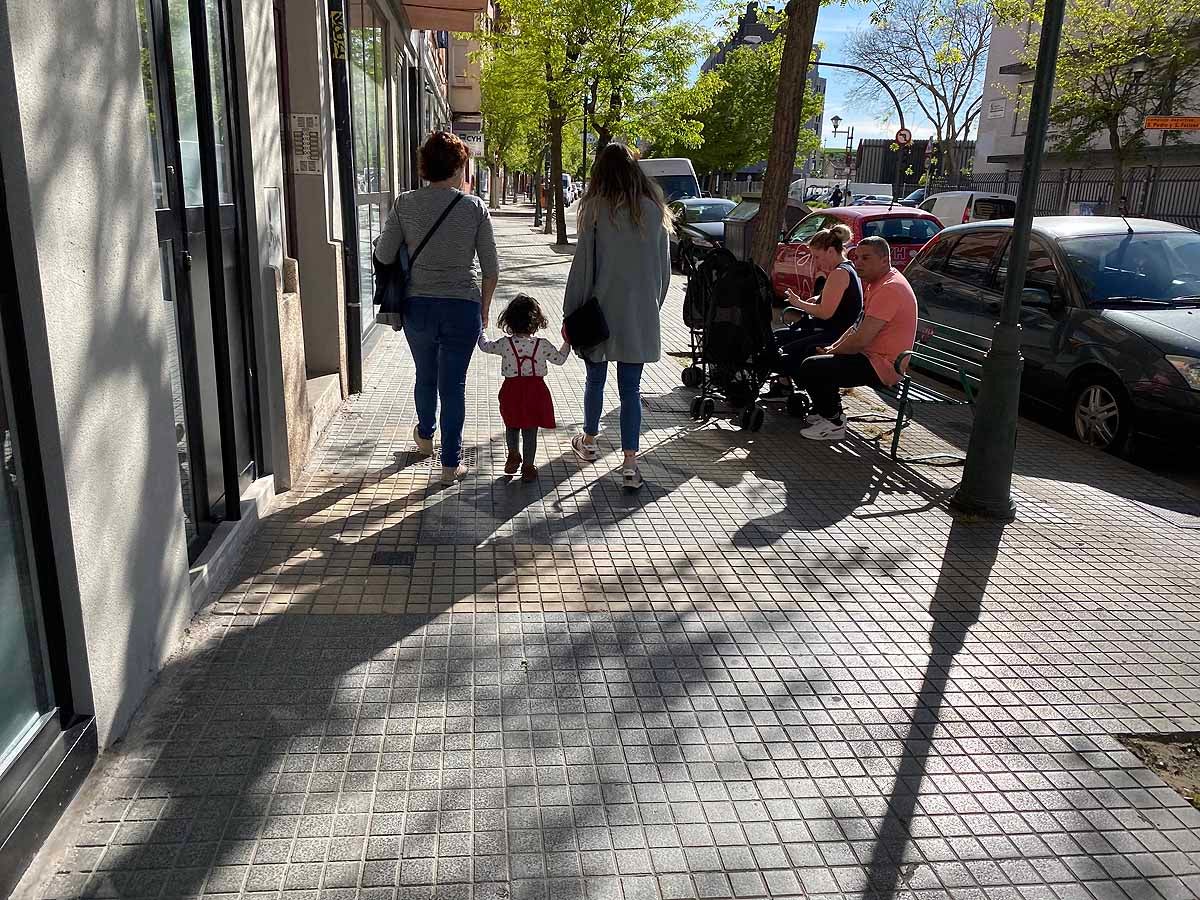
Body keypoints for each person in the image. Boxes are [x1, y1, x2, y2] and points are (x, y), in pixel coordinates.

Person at [375, 131, 499, 484]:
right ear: (460, 167)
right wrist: (484, 310)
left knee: (425, 374)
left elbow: (384, 255)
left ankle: (426, 436)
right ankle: (450, 463)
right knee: (454, 385)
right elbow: (491, 269)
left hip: (419, 306)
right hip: (463, 307)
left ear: (425, 166)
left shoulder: (404, 203)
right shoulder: (474, 208)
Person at [564, 143, 672, 490]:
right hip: (638, 313)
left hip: (600, 312)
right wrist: (651, 307)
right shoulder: (654, 210)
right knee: (631, 390)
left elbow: (583, 268)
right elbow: (664, 272)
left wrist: (571, 312)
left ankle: (590, 442)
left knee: (595, 379)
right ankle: (629, 463)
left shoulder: (594, 209)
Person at [796, 236, 917, 441]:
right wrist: (832, 347)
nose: (858, 262)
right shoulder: (875, 283)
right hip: (869, 355)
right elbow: (856, 326)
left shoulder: (890, 288)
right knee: (811, 351)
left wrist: (832, 351)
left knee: (813, 366)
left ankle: (833, 422)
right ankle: (825, 410)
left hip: (885, 366)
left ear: (884, 259)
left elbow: (861, 339)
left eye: (866, 258)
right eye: (857, 257)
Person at [477, 294, 571, 482]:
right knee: (530, 430)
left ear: (509, 320)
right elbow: (560, 360)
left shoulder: (505, 343)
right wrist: (567, 341)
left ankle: (513, 454)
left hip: (511, 390)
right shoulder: (542, 345)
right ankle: (528, 466)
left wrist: (481, 329)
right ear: (536, 321)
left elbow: (485, 346)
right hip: (536, 391)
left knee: (511, 425)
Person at [767, 223, 863, 397]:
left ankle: (804, 390)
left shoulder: (839, 273)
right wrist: (815, 300)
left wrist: (799, 303)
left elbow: (825, 312)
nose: (816, 262)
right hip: (833, 330)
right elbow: (832, 302)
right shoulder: (846, 269)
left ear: (831, 251)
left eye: (817, 257)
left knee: (785, 349)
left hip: (835, 334)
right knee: (778, 337)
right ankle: (785, 385)